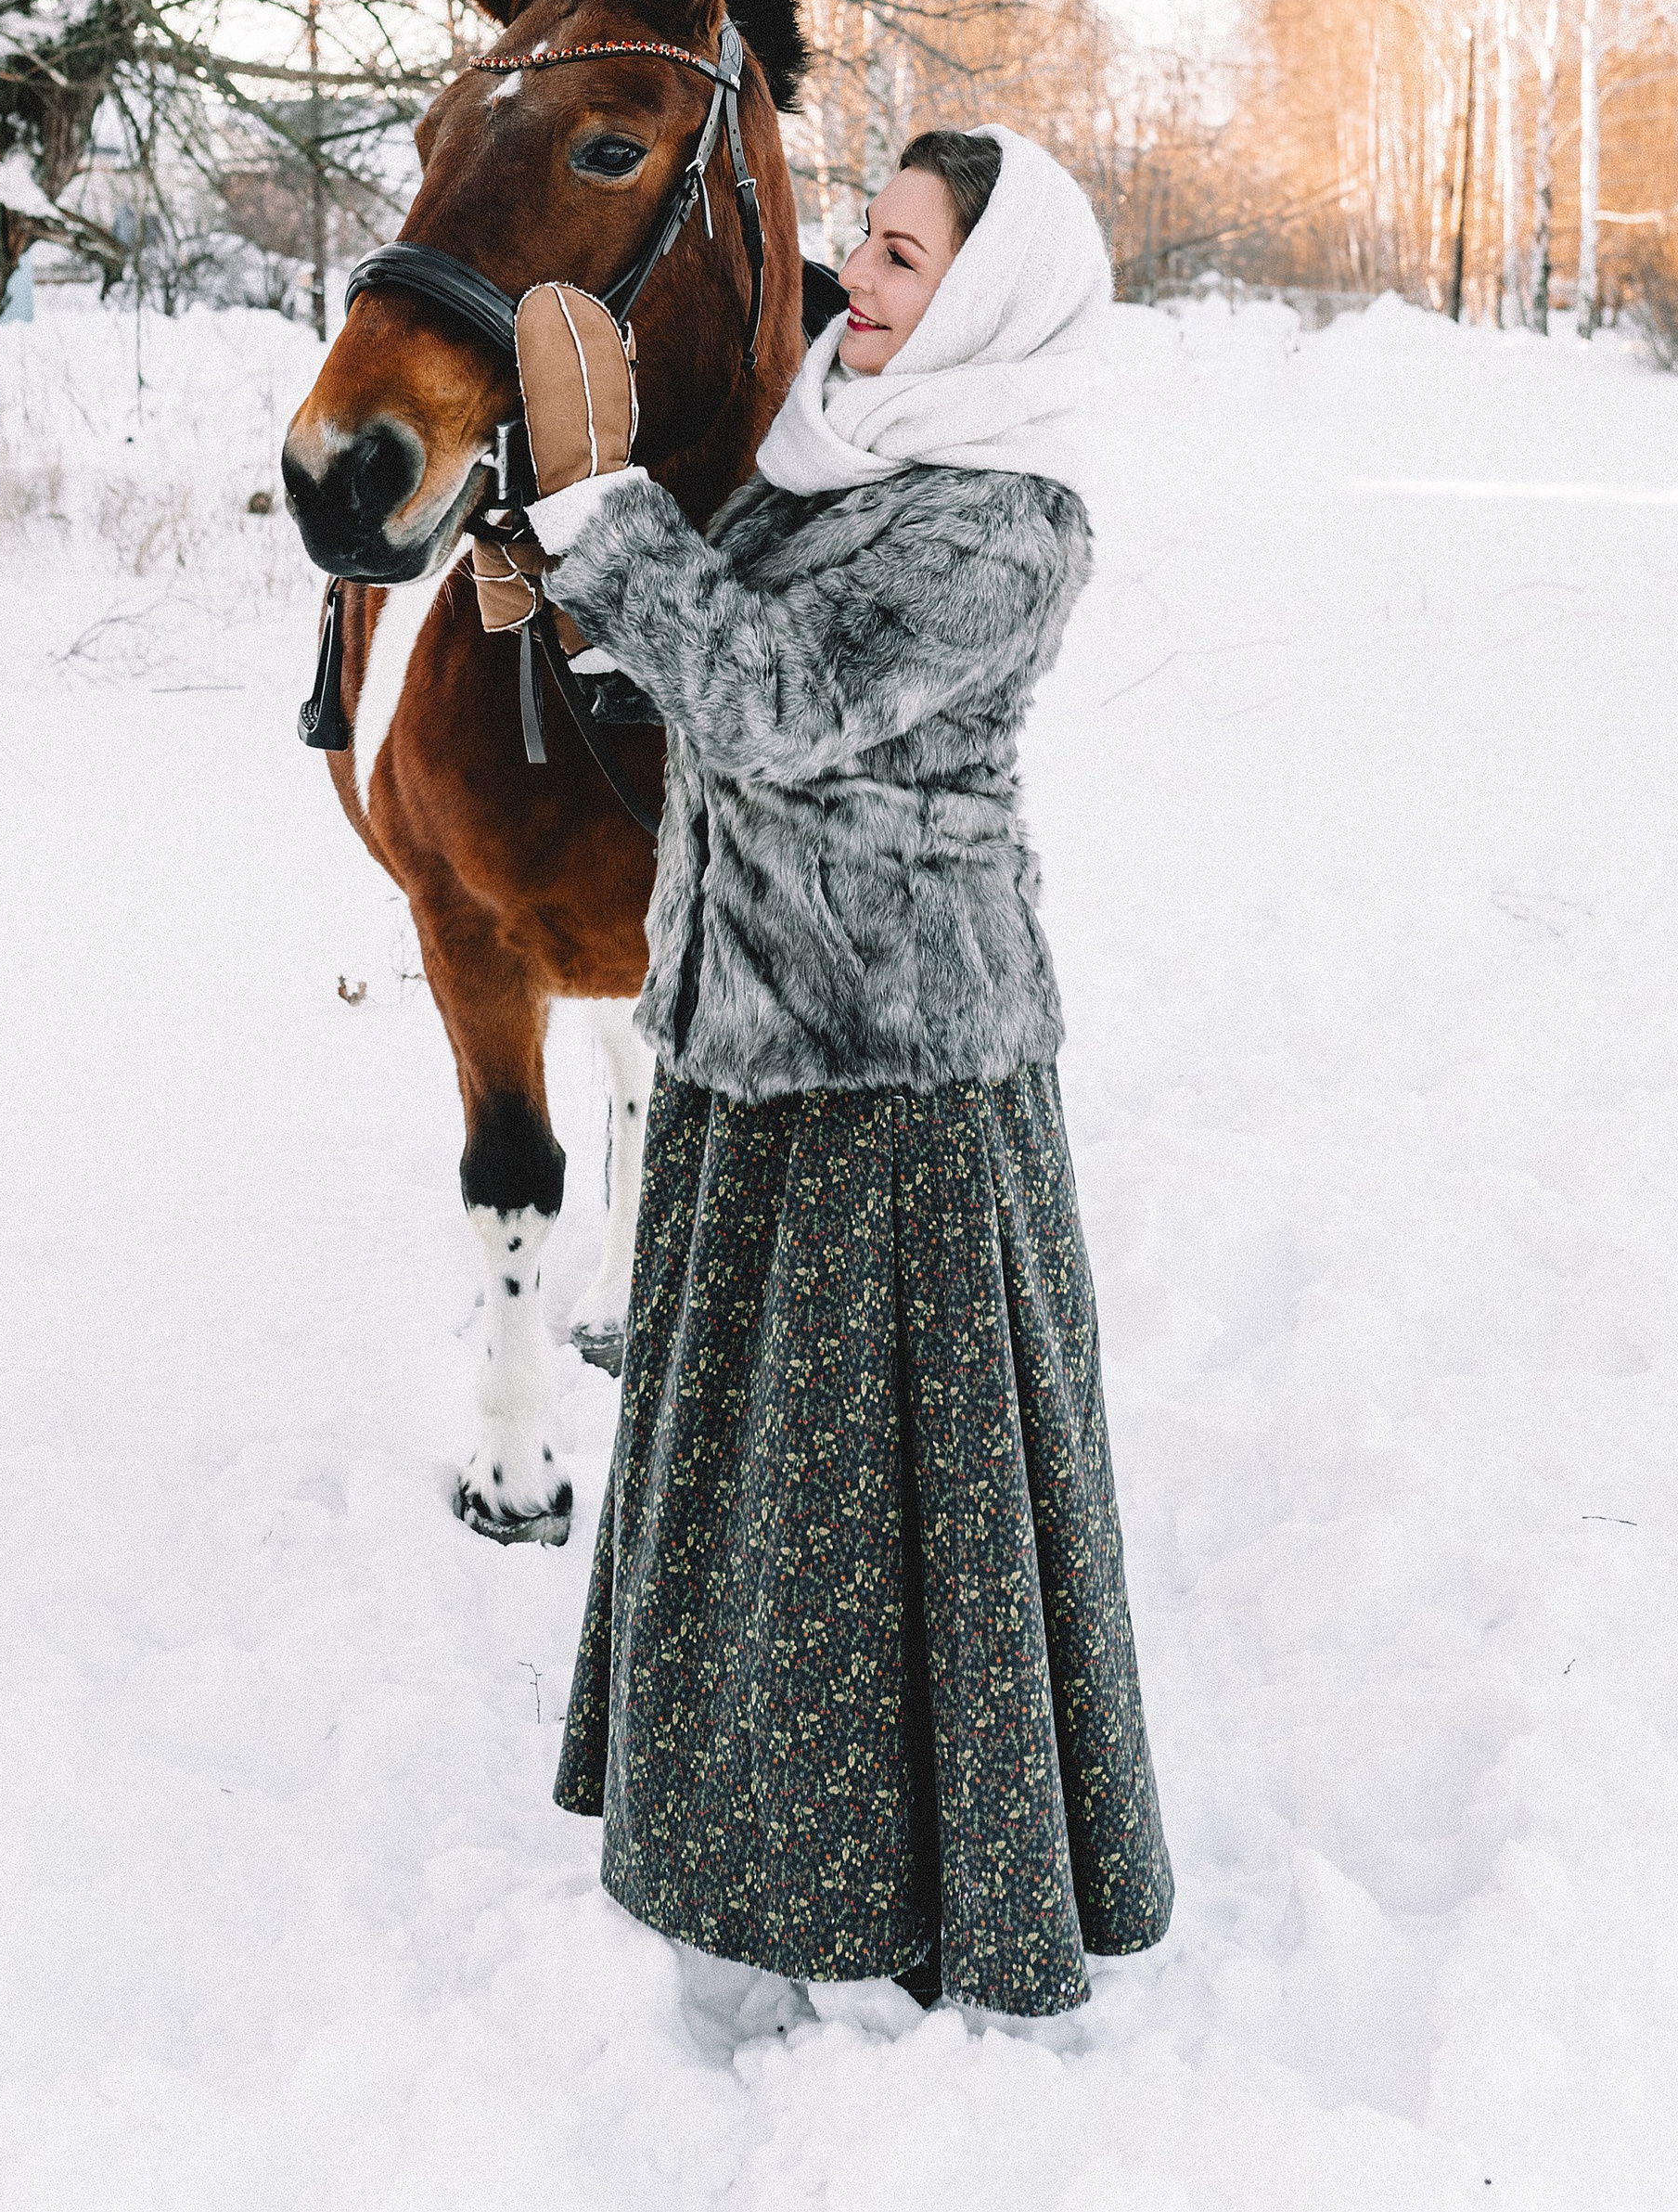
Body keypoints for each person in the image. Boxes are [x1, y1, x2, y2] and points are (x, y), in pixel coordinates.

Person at [530, 123, 1173, 2020]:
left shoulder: (1007, 518)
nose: (858, 286)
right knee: (751, 1500)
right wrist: (579, 610)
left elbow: (788, 707)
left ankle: (904, 1915)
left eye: (900, 260)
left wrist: (606, 517)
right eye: (865, 245)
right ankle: (736, 1847)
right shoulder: (839, 454)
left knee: (870, 1511)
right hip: (746, 1040)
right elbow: (721, 669)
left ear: (985, 294)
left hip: (900, 1071)